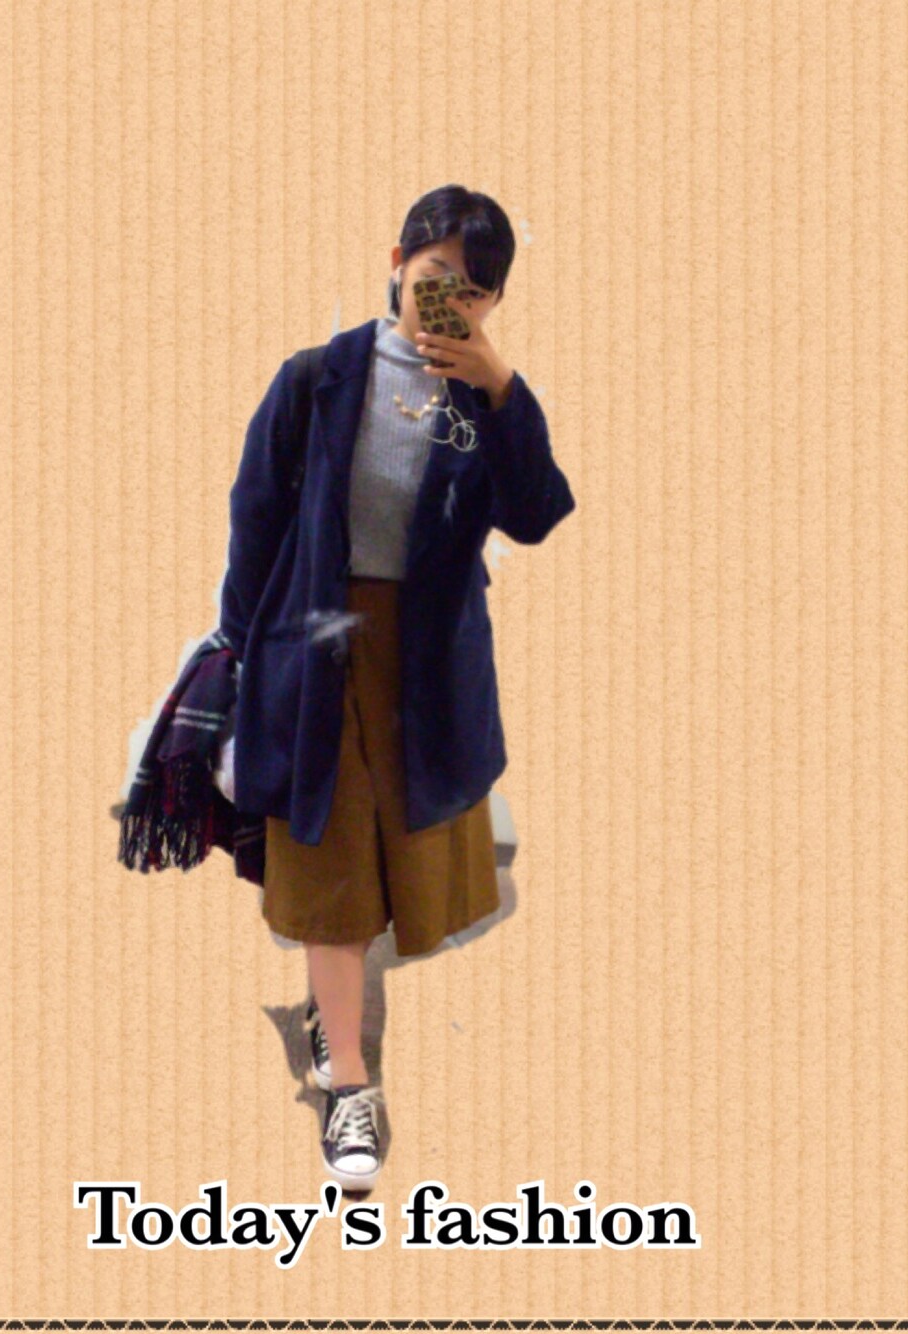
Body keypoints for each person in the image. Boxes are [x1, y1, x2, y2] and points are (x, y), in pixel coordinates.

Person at [218, 184, 577, 1191]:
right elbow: (255, 523)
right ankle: (350, 1082)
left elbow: (535, 513)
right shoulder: (316, 379)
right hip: (312, 654)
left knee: (404, 871)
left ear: (495, 302)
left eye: (474, 289)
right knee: (329, 878)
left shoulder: (482, 400)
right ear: (396, 263)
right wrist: (242, 661)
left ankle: (339, 1030)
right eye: (435, 276)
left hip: (425, 667)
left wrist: (501, 388)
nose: (450, 300)